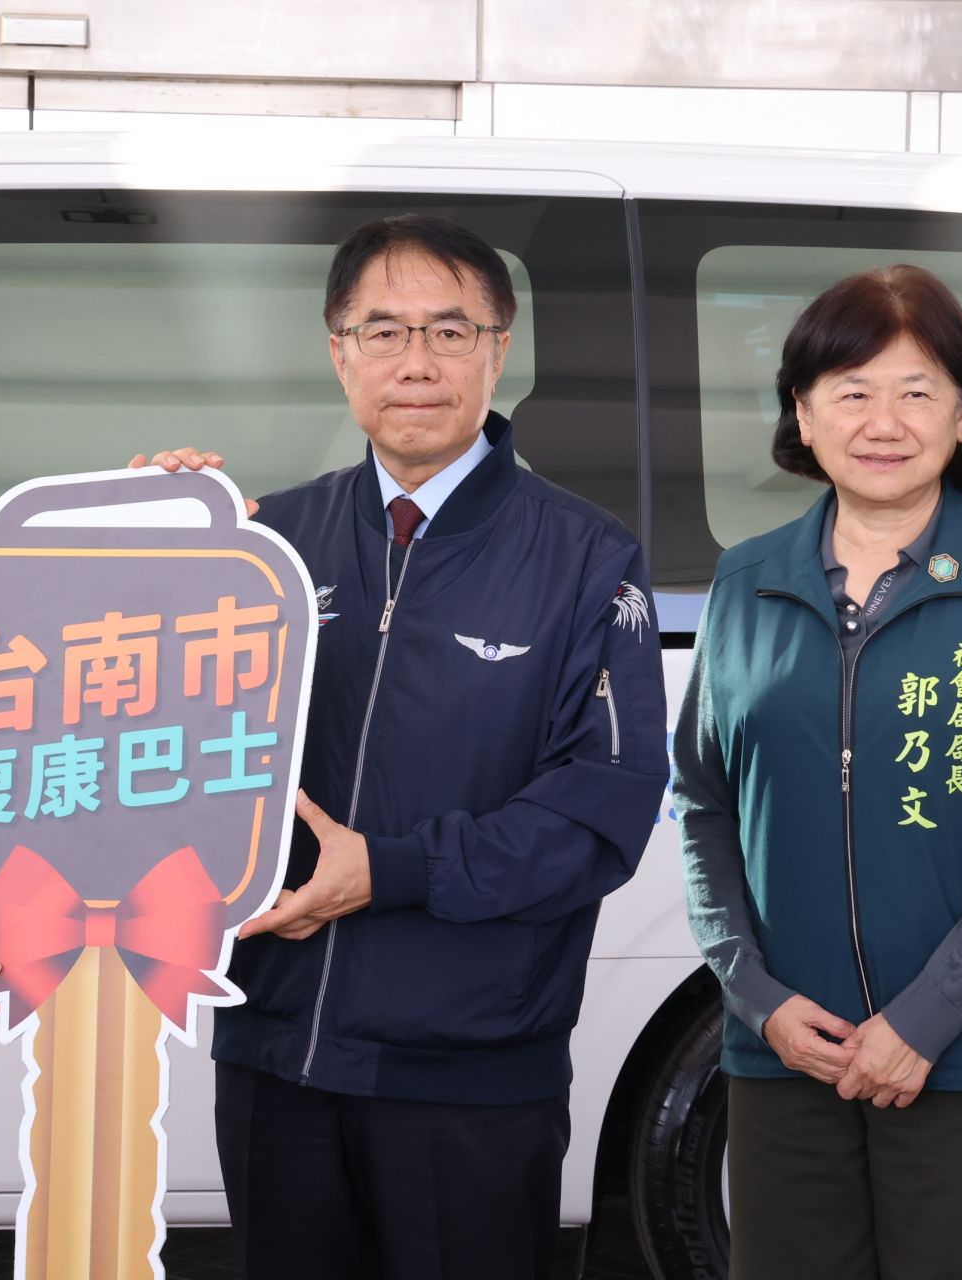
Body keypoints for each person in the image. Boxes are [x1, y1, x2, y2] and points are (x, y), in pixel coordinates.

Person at [142, 213, 669, 1280]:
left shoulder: (587, 558)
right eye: (382, 331)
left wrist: (391, 869)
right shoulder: (264, 545)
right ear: (339, 352)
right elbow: (155, 746)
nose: (415, 362)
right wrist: (141, 547)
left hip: (471, 1074)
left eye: (449, 330)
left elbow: (599, 813)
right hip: (276, 1052)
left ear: (497, 351)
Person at [672, 265, 962, 1279]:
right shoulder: (745, 581)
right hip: (789, 1052)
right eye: (852, 390)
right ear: (803, 413)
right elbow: (703, 806)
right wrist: (756, 996)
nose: (883, 421)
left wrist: (924, 1019)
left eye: (916, 391)